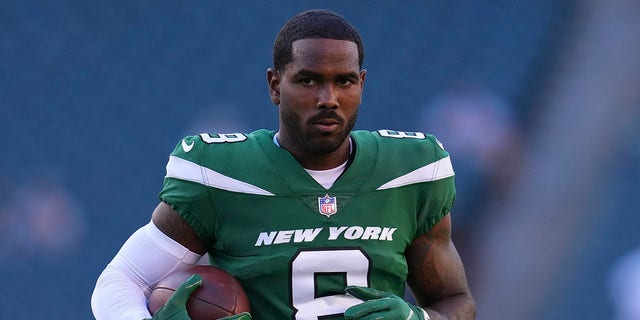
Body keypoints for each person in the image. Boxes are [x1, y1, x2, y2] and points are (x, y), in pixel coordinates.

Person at [91, 9, 476, 320]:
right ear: (275, 85)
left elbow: (456, 302)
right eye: (309, 81)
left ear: (362, 83)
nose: (329, 98)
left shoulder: (411, 172)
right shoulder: (221, 175)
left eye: (344, 82)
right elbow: (122, 280)